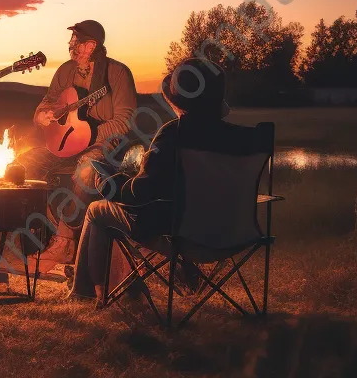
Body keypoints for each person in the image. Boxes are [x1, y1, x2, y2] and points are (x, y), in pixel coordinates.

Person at [70, 58, 246, 305]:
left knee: (97, 211)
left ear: (178, 103)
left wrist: (109, 181)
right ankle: (127, 288)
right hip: (232, 233)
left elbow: (139, 195)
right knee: (125, 211)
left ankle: (89, 293)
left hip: (182, 235)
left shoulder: (173, 134)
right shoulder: (237, 138)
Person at [20, 19, 137, 269]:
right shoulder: (65, 70)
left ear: (91, 45)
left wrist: (89, 136)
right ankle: (37, 233)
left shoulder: (117, 73)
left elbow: (125, 120)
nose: (70, 45)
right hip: (65, 143)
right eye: (72, 40)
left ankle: (64, 242)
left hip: (102, 143)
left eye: (75, 41)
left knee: (86, 170)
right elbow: (48, 102)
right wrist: (41, 115)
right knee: (25, 164)